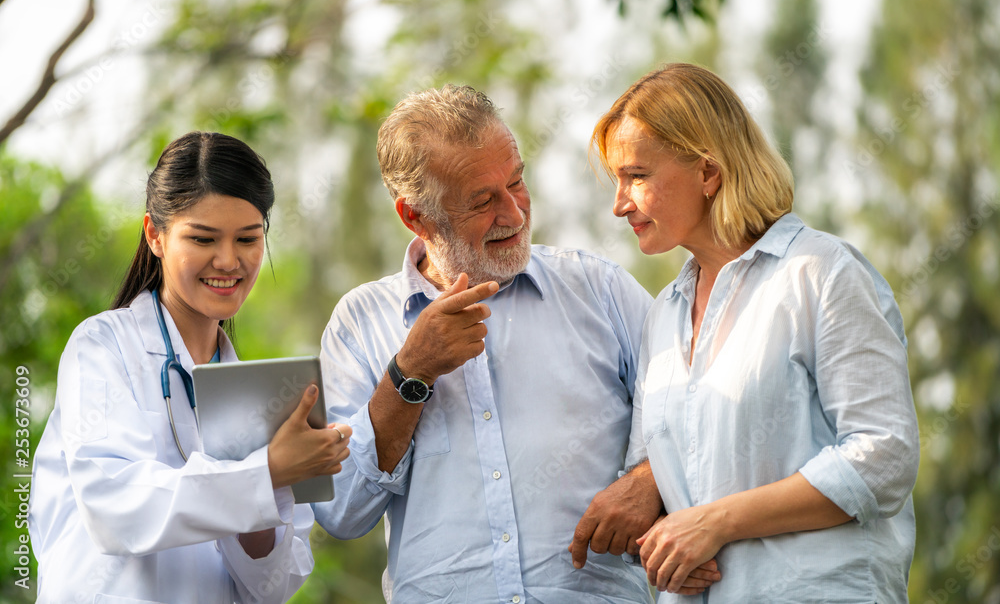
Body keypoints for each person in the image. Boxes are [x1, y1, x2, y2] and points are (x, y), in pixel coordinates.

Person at [311, 85, 721, 602]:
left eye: (517, 182)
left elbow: (701, 407)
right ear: (414, 216)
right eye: (483, 201)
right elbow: (342, 512)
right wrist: (409, 374)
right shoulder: (359, 323)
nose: (515, 213)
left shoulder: (600, 289)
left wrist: (647, 478)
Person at [591, 63, 921, 602]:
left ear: (708, 172)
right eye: (618, 181)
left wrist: (716, 524)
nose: (620, 203)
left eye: (637, 176)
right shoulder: (663, 316)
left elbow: (883, 456)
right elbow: (667, 491)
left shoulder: (821, 272)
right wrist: (660, 546)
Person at [29, 131, 353, 603]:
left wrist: (272, 493)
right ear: (154, 235)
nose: (228, 260)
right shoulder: (103, 346)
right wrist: (264, 473)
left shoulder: (265, 393)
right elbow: (114, 508)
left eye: (248, 238)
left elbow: (276, 584)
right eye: (202, 238)